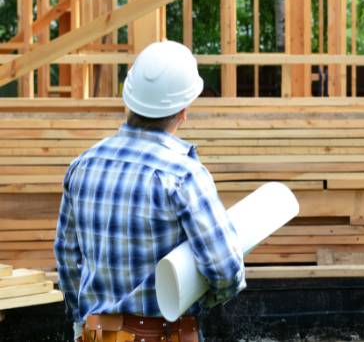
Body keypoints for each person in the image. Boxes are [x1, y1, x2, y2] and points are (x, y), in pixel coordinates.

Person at [54, 41, 246, 342]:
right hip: (165, 334)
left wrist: (82, 319)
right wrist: (198, 298)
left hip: (96, 334)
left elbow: (66, 258)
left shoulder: (83, 165)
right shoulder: (183, 175)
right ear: (183, 110)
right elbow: (225, 270)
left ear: (128, 98)